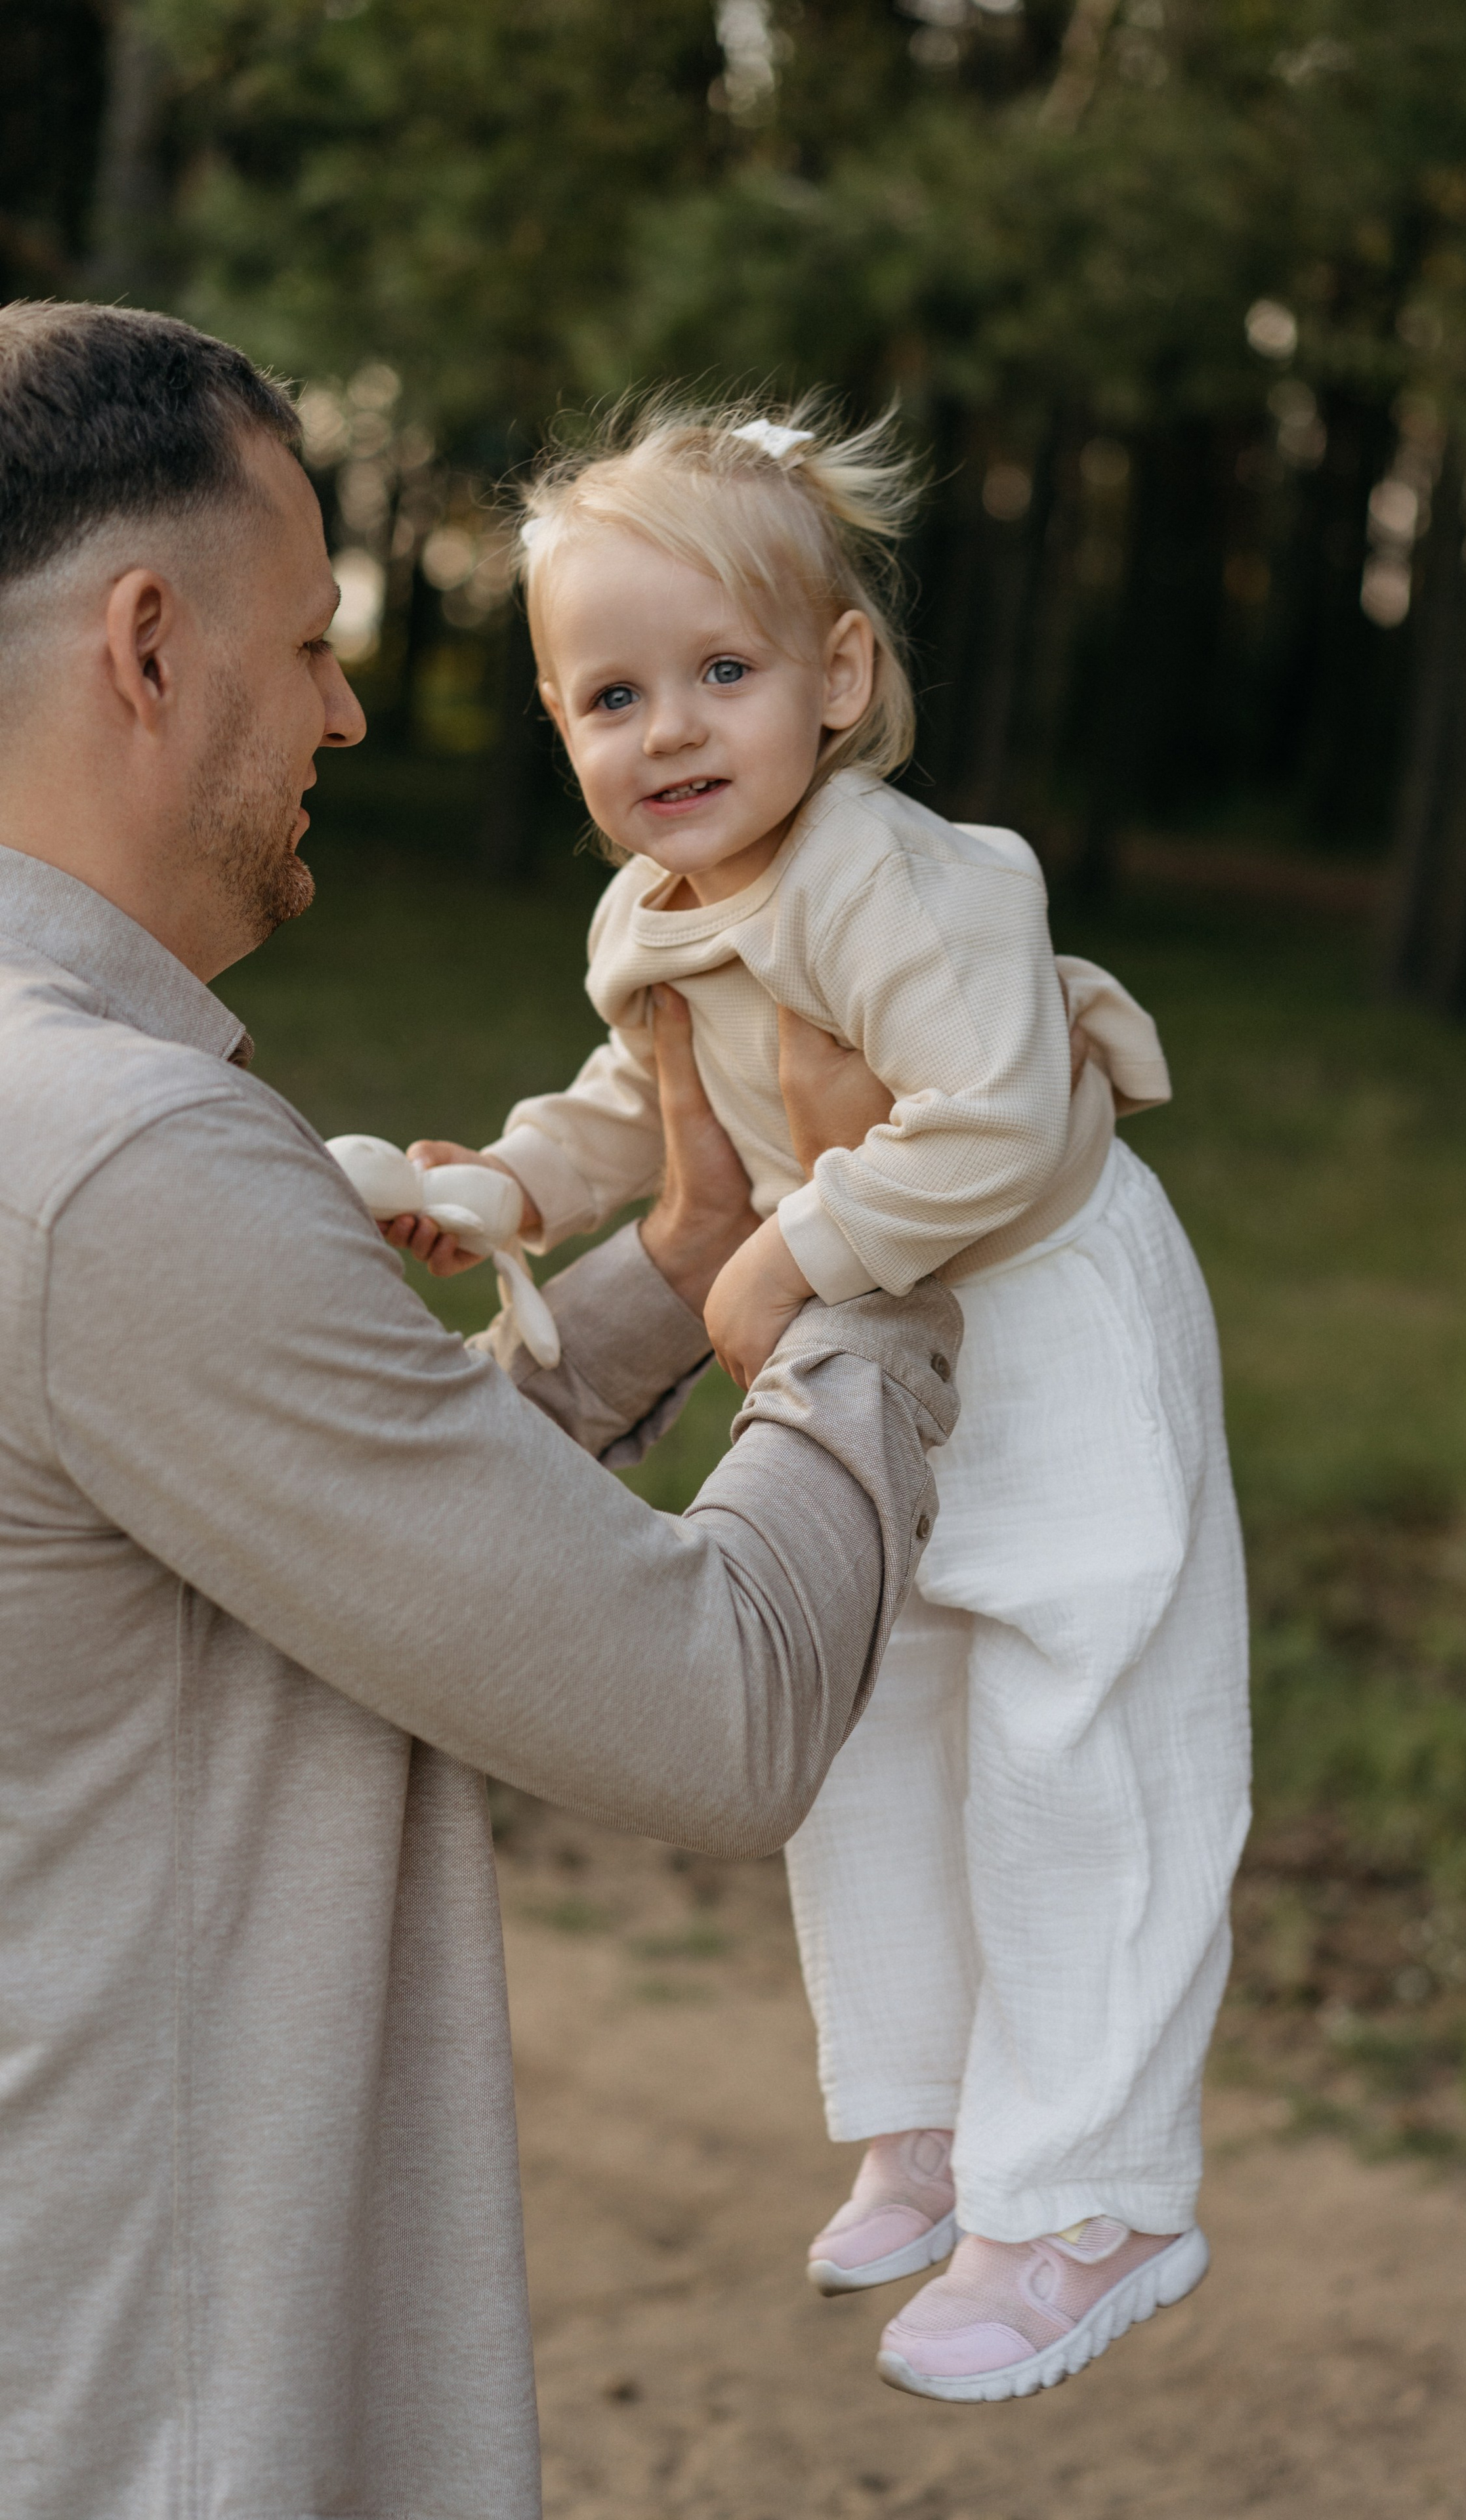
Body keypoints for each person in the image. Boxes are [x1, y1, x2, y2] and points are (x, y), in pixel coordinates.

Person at [0, 304, 965, 2520]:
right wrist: (865, 1247)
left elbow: (321, 1540)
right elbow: (706, 1706)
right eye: (314, 638)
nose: (348, 703)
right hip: (151, 2417)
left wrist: (676, 1251)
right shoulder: (111, 1153)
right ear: (148, 646)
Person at [400, 399, 1251, 2404]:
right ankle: (934, 2115)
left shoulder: (901, 876)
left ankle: (1103, 2191)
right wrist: (503, 1189)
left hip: (1045, 1308)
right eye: (614, 695)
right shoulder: (653, 914)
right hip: (881, 1322)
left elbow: (1005, 1115)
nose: (672, 731)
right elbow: (636, 1104)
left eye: (724, 672)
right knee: (876, 1702)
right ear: (556, 721)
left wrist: (789, 1254)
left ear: (838, 678)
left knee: (1079, 1724)